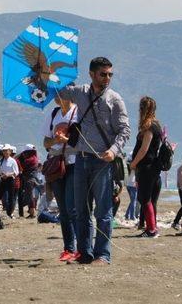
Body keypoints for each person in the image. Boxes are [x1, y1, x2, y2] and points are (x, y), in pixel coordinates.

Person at [58, 57, 131, 264]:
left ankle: (102, 254)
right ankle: (84, 253)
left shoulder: (115, 99)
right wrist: (49, 71)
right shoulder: (80, 92)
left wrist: (114, 150)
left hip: (103, 161)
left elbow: (125, 130)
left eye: (110, 74)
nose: (107, 78)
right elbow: (59, 94)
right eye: (103, 74)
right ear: (92, 74)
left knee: (103, 211)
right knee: (81, 210)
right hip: (81, 159)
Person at [43, 95, 79, 261]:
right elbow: (45, 142)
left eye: (59, 93)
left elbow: (83, 139)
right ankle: (68, 248)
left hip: (74, 163)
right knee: (63, 209)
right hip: (57, 164)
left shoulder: (79, 112)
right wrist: (55, 140)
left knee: (73, 207)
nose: (56, 96)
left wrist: (67, 140)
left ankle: (81, 247)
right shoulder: (53, 114)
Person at [130, 96, 163, 238]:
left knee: (145, 198)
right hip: (154, 168)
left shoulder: (149, 127)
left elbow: (144, 149)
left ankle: (151, 229)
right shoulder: (157, 125)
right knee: (150, 199)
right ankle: (152, 227)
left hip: (147, 168)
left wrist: (133, 163)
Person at [17, 145, 40, 219]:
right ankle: (31, 212)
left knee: (29, 196)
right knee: (30, 195)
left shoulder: (31, 159)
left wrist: (20, 156)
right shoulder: (34, 158)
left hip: (29, 179)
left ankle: (32, 212)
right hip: (28, 179)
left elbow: (21, 163)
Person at [0, 144, 19, 218]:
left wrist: (8, 174)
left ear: (10, 151)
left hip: (10, 180)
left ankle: (10, 212)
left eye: (7, 151)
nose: (5, 152)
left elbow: (16, 172)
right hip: (3, 180)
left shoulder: (13, 161)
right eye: (4, 151)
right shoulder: (1, 161)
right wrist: (2, 174)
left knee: (11, 197)